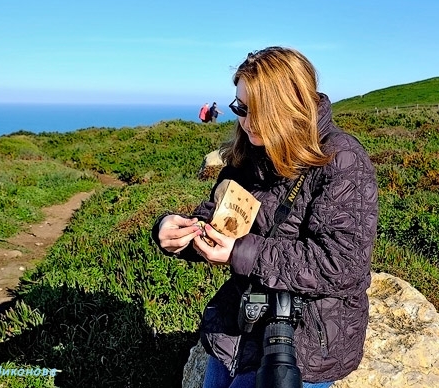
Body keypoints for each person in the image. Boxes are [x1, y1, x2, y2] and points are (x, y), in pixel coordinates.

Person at [152, 47, 378, 388]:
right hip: (241, 322)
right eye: (241, 107)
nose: (247, 122)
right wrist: (181, 232)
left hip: (306, 338)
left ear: (293, 105)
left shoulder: (342, 159)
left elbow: (343, 265)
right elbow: (224, 215)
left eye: (260, 110)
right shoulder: (250, 149)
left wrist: (239, 252)